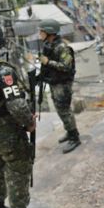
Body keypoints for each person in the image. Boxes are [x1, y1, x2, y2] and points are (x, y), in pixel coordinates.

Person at [0, 22, 48, 208]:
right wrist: (29, 122)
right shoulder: (1, 70)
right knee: (19, 169)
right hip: (5, 132)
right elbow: (16, 104)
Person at [38, 19, 81, 154]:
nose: (40, 34)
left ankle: (75, 137)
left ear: (49, 32)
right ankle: (70, 131)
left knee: (65, 110)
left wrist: (48, 62)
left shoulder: (62, 47)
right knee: (60, 110)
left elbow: (66, 67)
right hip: (54, 82)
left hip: (63, 84)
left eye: (42, 31)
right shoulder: (49, 45)